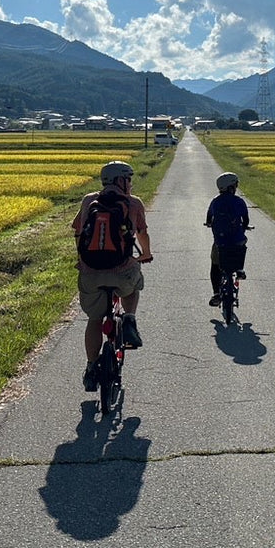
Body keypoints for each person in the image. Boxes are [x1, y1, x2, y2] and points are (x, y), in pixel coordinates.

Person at [73, 160, 153, 391]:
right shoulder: (133, 202)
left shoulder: (89, 200)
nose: (130, 183)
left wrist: (83, 259)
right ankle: (129, 319)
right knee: (134, 284)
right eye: (128, 179)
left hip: (90, 273)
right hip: (122, 272)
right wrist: (145, 254)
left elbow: (78, 232)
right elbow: (142, 233)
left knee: (94, 320)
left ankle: (90, 368)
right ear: (120, 180)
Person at [205, 171, 251, 307]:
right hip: (237, 240)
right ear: (231, 187)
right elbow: (246, 220)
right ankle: (239, 269)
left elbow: (208, 219)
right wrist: (245, 226)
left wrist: (209, 224)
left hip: (220, 241)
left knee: (215, 265)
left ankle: (216, 293)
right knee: (241, 246)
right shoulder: (239, 201)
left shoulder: (215, 202)